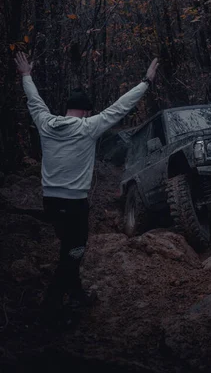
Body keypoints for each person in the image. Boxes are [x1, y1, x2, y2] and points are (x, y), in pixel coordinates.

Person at [14, 52, 159, 323]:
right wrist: (146, 82)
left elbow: (34, 101)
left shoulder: (45, 123)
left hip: (51, 202)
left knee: (69, 248)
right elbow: (120, 107)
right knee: (74, 251)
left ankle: (77, 293)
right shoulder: (88, 127)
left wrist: (26, 75)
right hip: (74, 204)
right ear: (85, 111)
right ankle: (52, 306)